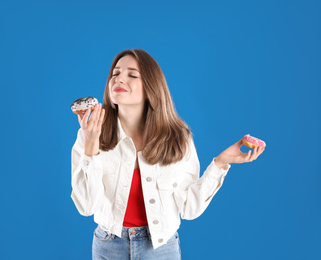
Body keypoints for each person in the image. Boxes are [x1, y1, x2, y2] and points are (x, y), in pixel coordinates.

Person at [71, 49, 265, 259]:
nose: (119, 79)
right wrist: (91, 144)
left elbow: (189, 209)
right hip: (108, 246)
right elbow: (86, 207)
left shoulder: (177, 137)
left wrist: (220, 163)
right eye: (115, 73)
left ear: (151, 87)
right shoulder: (90, 133)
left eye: (132, 75)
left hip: (161, 248)